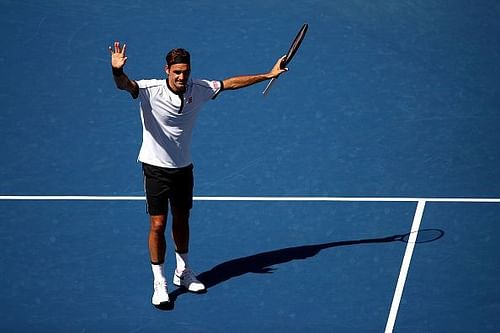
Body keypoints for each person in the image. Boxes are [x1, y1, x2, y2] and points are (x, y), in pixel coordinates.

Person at [108, 41, 288, 308]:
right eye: (177, 72)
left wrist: (268, 74)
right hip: (155, 168)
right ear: (166, 70)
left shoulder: (199, 89)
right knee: (158, 225)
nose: (182, 77)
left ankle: (183, 271)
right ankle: (160, 282)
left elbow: (231, 83)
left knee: (181, 221)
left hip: (183, 169)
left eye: (186, 72)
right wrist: (117, 72)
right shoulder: (149, 90)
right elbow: (126, 85)